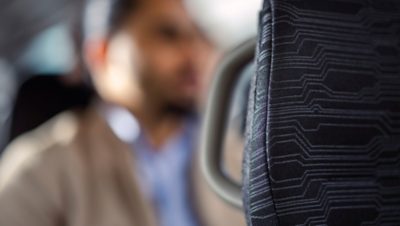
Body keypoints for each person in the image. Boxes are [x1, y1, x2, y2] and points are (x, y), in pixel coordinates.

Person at [0, 0, 246, 226]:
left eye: (197, 36)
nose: (194, 54)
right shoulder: (42, 168)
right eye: (168, 35)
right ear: (101, 53)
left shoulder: (235, 155)